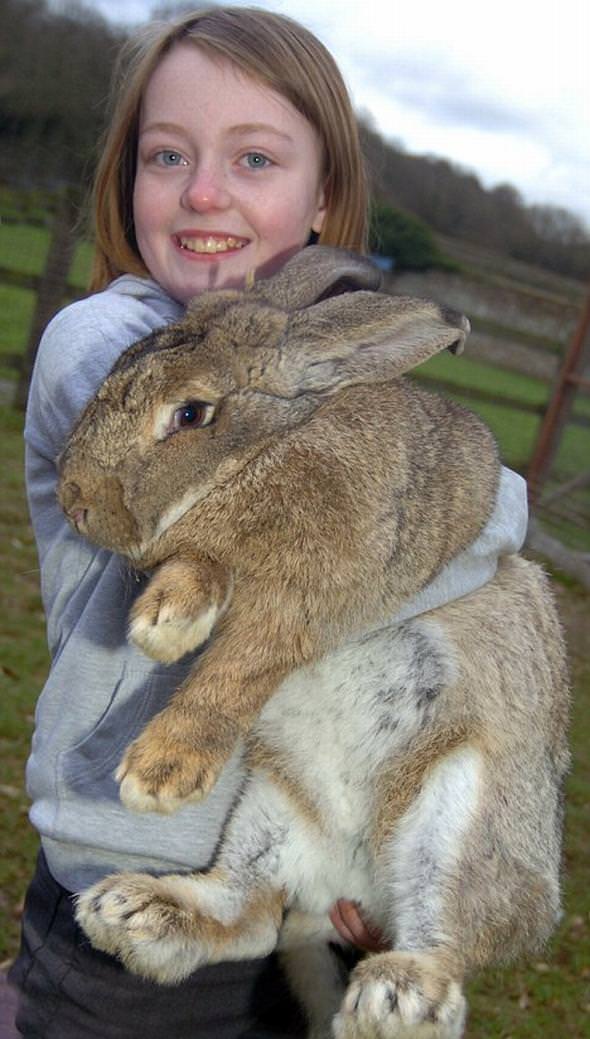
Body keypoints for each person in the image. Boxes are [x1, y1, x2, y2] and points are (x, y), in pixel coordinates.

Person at [8, 7, 528, 1038]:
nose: (204, 192)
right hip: (135, 879)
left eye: (253, 158)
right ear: (126, 176)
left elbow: (485, 505)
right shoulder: (108, 347)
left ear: (321, 194)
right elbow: (439, 517)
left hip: (291, 889)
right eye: (168, 155)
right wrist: (442, 502)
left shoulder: (289, 374)